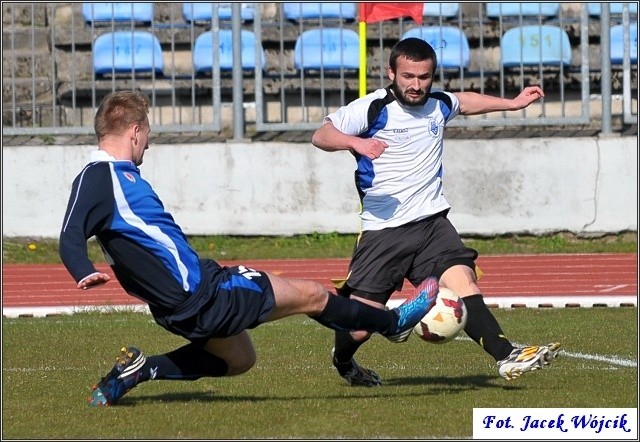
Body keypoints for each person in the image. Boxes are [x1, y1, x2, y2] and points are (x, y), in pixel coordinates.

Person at [58, 90, 440, 406]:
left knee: (240, 359)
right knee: (311, 293)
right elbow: (70, 234)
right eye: (148, 135)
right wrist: (81, 268)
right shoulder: (99, 177)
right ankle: (393, 323)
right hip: (204, 296)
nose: (148, 145)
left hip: (183, 301)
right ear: (135, 131)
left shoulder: (114, 176)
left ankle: (140, 370)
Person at [311, 38, 561, 387]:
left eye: (424, 77)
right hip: (384, 231)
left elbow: (465, 101)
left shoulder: (437, 104)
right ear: (391, 73)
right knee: (360, 327)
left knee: (462, 281)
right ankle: (343, 362)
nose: (416, 85)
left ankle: (506, 355)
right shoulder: (372, 108)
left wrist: (513, 102)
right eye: (408, 76)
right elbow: (321, 135)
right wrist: (357, 143)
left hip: (432, 223)